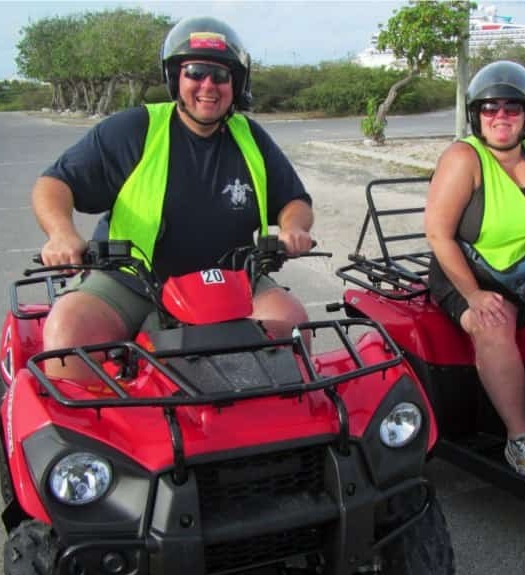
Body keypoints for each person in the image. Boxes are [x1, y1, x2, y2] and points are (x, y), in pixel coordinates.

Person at [33, 16, 315, 381]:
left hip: (231, 279)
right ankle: (113, 435)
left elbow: (295, 200)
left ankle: (279, 431)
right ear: (174, 79)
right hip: (132, 280)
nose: (208, 85)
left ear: (236, 83)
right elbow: (55, 183)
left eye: (220, 75)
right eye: (195, 72)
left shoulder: (251, 138)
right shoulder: (134, 129)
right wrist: (60, 233)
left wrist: (294, 227)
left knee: (293, 326)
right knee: (67, 339)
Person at [424, 60, 525, 477]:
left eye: (512, 108)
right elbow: (439, 235)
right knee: (494, 322)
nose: (500, 117)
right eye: (490, 108)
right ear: (476, 115)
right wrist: (473, 296)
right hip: (469, 271)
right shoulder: (464, 158)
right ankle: (520, 440)